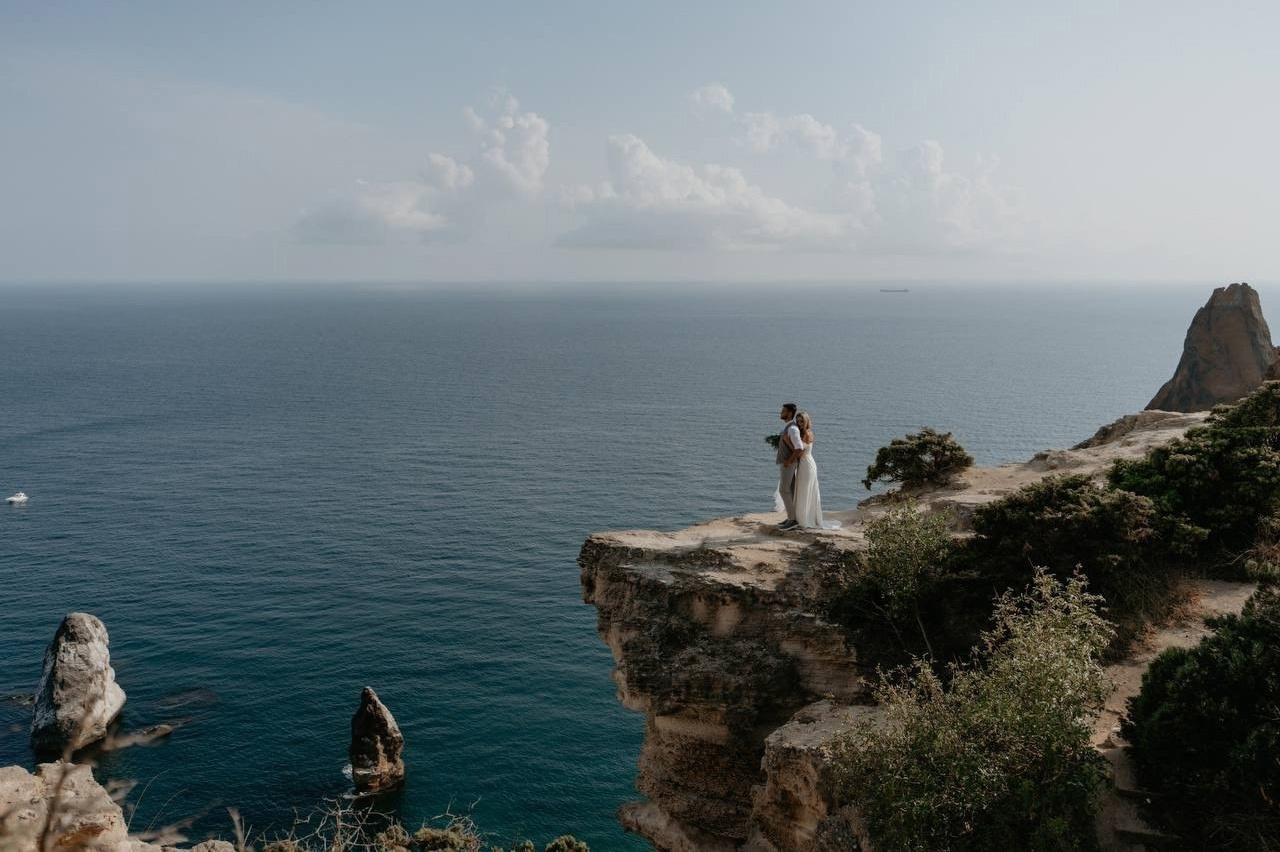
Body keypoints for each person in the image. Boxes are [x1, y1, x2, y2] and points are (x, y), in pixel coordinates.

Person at [792, 411, 825, 529]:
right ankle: (800, 518)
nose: (799, 423)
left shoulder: (807, 433)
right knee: (801, 490)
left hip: (806, 464)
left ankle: (804, 520)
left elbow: (800, 452)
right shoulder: (802, 433)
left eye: (802, 421)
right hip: (803, 464)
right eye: (798, 421)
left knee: (805, 491)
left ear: (806, 421)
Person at [775, 403, 805, 530]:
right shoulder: (789, 427)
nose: (780, 413)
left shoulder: (792, 428)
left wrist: (788, 461)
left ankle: (792, 520)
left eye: (783, 411)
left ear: (789, 413)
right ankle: (791, 517)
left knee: (783, 490)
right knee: (790, 491)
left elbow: (799, 448)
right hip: (788, 463)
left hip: (788, 464)